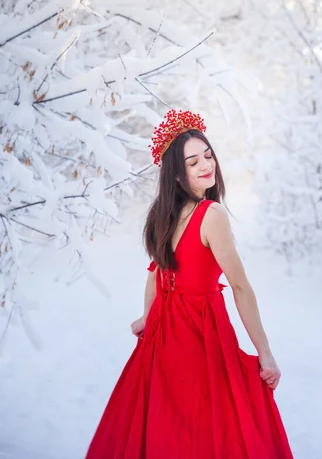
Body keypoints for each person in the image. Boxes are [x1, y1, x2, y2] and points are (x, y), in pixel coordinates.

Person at [86, 109, 294, 459]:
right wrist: (267, 354)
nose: (205, 165)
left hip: (162, 340)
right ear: (177, 174)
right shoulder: (211, 215)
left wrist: (147, 317)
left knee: (165, 428)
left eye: (208, 155)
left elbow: (155, 274)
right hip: (199, 335)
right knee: (213, 430)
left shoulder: (161, 212)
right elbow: (240, 288)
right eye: (192, 161)